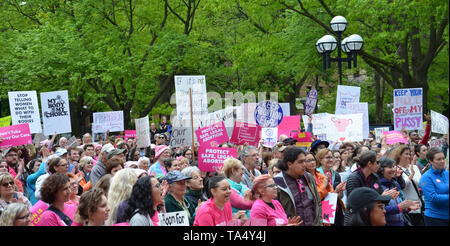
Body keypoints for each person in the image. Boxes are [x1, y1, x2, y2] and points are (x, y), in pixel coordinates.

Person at [273, 147, 323, 226]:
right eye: (300, 162)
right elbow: (271, 213)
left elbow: (318, 204)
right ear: (289, 164)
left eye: (304, 161)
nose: (304, 165)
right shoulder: (277, 183)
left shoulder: (308, 177)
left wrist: (319, 223)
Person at [377, 157, 420, 226]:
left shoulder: (395, 183)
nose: (393, 169)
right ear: (381, 170)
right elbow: (378, 210)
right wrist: (399, 207)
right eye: (389, 167)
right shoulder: (377, 186)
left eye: (393, 167)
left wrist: (407, 207)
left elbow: (400, 202)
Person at [392, 145, 424, 226]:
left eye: (410, 154)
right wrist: (411, 176)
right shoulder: (396, 169)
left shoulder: (415, 167)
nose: (409, 156)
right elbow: (401, 187)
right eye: (406, 154)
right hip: (407, 207)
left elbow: (421, 184)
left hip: (418, 205)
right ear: (399, 155)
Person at [419, 147, 449, 226]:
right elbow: (433, 198)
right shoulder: (426, 177)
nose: (442, 161)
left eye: (443, 158)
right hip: (434, 218)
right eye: (439, 159)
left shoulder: (447, 173)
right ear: (431, 161)